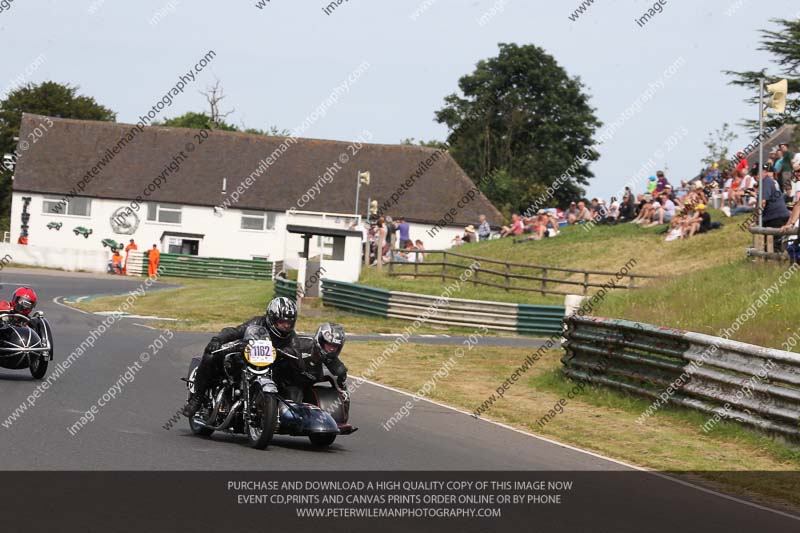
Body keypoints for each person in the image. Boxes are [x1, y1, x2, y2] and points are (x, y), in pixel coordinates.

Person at [183, 297, 299, 417]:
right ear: (272, 318)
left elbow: (297, 357)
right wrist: (218, 339)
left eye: (290, 323)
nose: (286, 326)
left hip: (269, 368)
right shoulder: (257, 322)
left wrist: (284, 352)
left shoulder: (291, 337)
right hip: (246, 357)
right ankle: (197, 398)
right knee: (211, 356)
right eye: (282, 322)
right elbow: (235, 331)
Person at [277, 323, 348, 404]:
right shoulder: (298, 344)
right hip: (278, 379)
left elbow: (344, 395)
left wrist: (343, 399)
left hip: (301, 388)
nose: (331, 349)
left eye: (335, 347)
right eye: (329, 345)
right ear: (320, 340)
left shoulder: (338, 370)